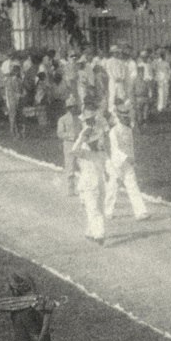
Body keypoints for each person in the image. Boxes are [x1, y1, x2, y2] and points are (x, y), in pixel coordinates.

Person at [104, 105, 149, 221]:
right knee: (113, 187)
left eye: (127, 117)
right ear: (119, 117)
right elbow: (115, 149)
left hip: (128, 163)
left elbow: (130, 147)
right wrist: (127, 158)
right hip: (117, 163)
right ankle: (107, 211)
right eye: (123, 117)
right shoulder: (113, 132)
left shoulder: (129, 130)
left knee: (133, 185)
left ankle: (140, 212)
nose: (126, 119)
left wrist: (132, 159)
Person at [71, 105, 108, 246]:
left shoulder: (89, 150)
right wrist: (83, 137)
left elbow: (74, 150)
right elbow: (75, 150)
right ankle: (91, 231)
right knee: (93, 208)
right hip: (95, 181)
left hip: (91, 182)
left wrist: (82, 138)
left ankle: (99, 233)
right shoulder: (93, 150)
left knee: (94, 209)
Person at [56, 100, 83, 196]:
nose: (74, 108)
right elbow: (60, 133)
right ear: (68, 108)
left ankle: (82, 189)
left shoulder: (79, 119)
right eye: (72, 107)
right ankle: (70, 189)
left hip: (78, 144)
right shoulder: (62, 119)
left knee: (82, 165)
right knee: (70, 166)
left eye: (75, 106)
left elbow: (82, 131)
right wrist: (70, 136)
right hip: (68, 144)